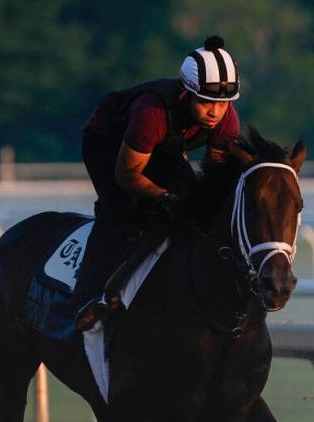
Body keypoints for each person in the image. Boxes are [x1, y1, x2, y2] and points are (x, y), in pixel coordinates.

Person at [72, 35, 242, 331]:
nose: (215, 112)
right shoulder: (152, 112)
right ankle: (86, 297)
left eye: (223, 103)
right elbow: (127, 175)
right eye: (205, 102)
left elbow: (214, 177)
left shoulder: (227, 122)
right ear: (185, 94)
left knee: (192, 209)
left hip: (163, 146)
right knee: (121, 209)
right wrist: (163, 196)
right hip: (108, 142)